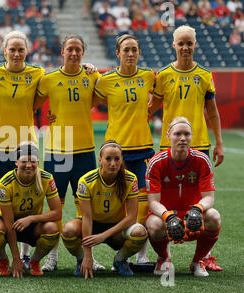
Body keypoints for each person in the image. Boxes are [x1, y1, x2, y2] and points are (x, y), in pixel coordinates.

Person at [149, 25, 224, 270]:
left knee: (202, 204)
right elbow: (150, 108)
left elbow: (212, 111)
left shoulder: (204, 74)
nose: (185, 47)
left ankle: (205, 257)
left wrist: (219, 143)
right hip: (166, 146)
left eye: (189, 43)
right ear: (173, 45)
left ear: (195, 44)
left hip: (199, 145)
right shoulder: (163, 75)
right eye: (180, 43)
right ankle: (164, 255)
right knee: (166, 199)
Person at [33, 34, 103, 272]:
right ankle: (52, 258)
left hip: (85, 151)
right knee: (56, 207)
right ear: (62, 51)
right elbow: (33, 105)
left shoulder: (92, 76)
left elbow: (93, 102)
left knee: (85, 208)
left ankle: (86, 256)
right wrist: (48, 117)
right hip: (56, 152)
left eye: (78, 50)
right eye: (69, 49)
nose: (74, 53)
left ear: (83, 52)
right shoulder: (49, 79)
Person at [0, 30, 46, 270]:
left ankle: (26, 252)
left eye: (21, 49)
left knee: (30, 196)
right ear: (4, 51)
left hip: (26, 146)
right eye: (12, 49)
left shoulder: (38, 73)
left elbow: (36, 104)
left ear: (27, 51)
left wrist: (89, 66)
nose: (17, 53)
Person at [94, 34, 155, 264]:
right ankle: (115, 251)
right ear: (117, 53)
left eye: (134, 50)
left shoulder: (149, 76)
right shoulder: (105, 80)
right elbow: (91, 102)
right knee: (116, 204)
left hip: (143, 149)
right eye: (126, 50)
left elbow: (158, 99)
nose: (130, 54)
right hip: (115, 152)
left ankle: (140, 255)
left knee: (143, 204)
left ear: (139, 52)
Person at [145, 117, 221, 277]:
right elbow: (153, 202)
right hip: (166, 216)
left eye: (186, 134)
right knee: (153, 224)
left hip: (192, 215)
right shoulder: (156, 163)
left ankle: (198, 261)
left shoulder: (202, 160)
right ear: (168, 135)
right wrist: (168, 217)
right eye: (177, 134)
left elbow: (209, 198)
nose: (182, 138)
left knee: (214, 216)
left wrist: (197, 209)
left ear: (192, 136)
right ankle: (164, 258)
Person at [62, 140, 148, 278]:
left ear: (121, 160)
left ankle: (120, 260)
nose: (113, 164)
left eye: (117, 159)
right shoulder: (86, 181)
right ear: (100, 160)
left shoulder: (131, 179)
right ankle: (81, 259)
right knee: (68, 230)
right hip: (91, 224)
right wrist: (87, 255)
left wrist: (104, 236)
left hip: (116, 229)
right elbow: (87, 218)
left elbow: (132, 217)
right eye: (108, 159)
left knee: (140, 232)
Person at [0, 142, 62, 277]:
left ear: (38, 162)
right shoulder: (5, 183)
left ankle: (34, 261)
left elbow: (57, 212)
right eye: (24, 160)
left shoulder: (46, 178)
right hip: (7, 223)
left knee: (52, 229)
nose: (29, 165)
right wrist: (16, 258)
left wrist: (31, 218)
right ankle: (3, 259)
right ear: (16, 162)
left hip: (30, 224)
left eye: (33, 161)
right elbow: (9, 223)